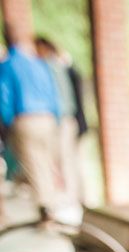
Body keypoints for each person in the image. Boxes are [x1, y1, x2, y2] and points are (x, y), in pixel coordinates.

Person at [0, 21, 60, 219]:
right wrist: (56, 118)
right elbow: (53, 93)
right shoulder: (37, 63)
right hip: (48, 118)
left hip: (26, 119)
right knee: (45, 164)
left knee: (35, 166)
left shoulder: (8, 65)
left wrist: (7, 122)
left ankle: (46, 210)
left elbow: (5, 96)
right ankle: (50, 202)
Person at [35, 36, 87, 207]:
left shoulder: (53, 68)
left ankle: (73, 201)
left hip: (63, 119)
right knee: (67, 161)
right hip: (65, 119)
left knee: (66, 161)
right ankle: (74, 199)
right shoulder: (56, 67)